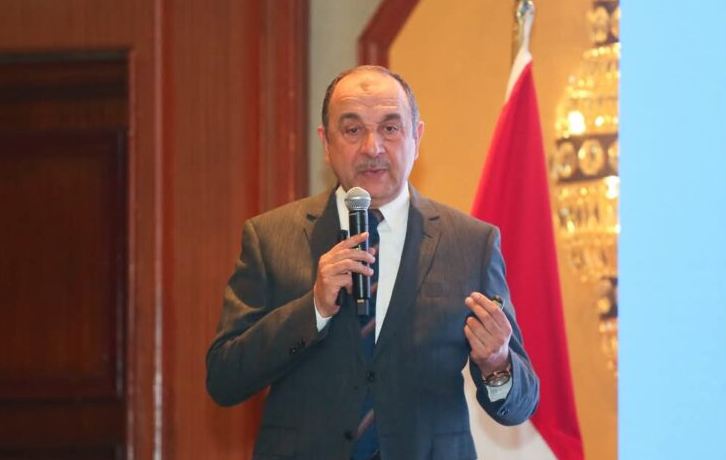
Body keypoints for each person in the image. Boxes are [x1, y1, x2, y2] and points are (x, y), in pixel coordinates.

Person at [206, 65, 539, 460]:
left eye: (390, 128)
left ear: (417, 137)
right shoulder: (270, 237)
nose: (372, 147)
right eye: (352, 130)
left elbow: (519, 406)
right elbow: (224, 378)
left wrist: (497, 363)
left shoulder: (471, 243)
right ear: (326, 143)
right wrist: (313, 309)